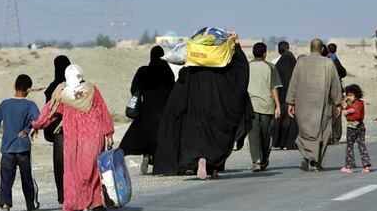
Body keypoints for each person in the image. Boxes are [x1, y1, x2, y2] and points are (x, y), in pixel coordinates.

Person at [153, 32, 253, 179]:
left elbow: (179, 92)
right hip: (217, 111)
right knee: (216, 139)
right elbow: (241, 68)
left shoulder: (191, 71)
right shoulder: (223, 71)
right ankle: (214, 170)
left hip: (195, 114)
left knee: (197, 138)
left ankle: (201, 160)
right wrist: (236, 44)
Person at [31, 65, 114, 211]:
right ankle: (96, 203)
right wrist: (108, 133)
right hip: (94, 137)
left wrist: (36, 125)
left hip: (74, 140)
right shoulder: (92, 90)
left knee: (74, 172)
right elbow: (103, 110)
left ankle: (79, 203)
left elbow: (49, 112)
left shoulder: (62, 94)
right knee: (93, 170)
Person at [0, 74, 40, 211]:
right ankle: (30, 204)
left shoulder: (4, 104)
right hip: (23, 148)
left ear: (14, 87)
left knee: (6, 178)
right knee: (26, 177)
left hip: (7, 149)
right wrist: (27, 130)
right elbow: (38, 121)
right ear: (28, 90)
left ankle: (5, 205)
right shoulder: (30, 105)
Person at [286, 39, 342, 171]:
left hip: (302, 105)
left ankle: (308, 156)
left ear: (310, 48)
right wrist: (338, 103)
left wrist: (290, 102)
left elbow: (293, 83)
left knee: (305, 132)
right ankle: (316, 161)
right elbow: (335, 85)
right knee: (323, 132)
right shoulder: (328, 63)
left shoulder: (301, 63)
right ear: (322, 49)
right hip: (322, 105)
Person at [119, 46, 175, 174]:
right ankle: (157, 162)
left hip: (147, 109)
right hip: (162, 109)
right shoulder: (165, 70)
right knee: (160, 136)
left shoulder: (143, 71)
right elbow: (172, 87)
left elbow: (134, 89)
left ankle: (146, 154)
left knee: (145, 134)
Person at [247, 42, 282, 172]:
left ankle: (256, 160)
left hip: (251, 106)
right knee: (266, 135)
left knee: (253, 134)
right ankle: (264, 160)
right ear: (265, 53)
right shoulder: (270, 67)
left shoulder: (247, 67)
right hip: (267, 106)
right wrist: (278, 105)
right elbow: (274, 88)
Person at [43, 55, 71, 204]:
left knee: (59, 162)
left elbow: (48, 111)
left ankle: (62, 195)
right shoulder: (77, 85)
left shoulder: (52, 88)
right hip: (76, 127)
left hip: (57, 130)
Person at [272, 43, 298, 150]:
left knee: (280, 119)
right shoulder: (293, 63)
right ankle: (290, 142)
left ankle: (279, 142)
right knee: (291, 119)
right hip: (292, 96)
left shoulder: (276, 64)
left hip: (280, 96)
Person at [340, 84, 371, 173]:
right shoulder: (352, 104)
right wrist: (346, 107)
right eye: (348, 95)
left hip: (357, 127)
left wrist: (347, 112)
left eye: (351, 95)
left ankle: (363, 166)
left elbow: (355, 115)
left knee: (359, 146)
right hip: (352, 127)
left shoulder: (359, 104)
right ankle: (351, 166)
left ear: (356, 96)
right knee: (351, 146)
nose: (349, 97)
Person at [327, 43, 347, 144]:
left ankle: (328, 136)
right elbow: (343, 72)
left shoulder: (325, 60)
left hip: (325, 90)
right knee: (337, 112)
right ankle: (336, 136)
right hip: (336, 89)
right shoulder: (335, 60)